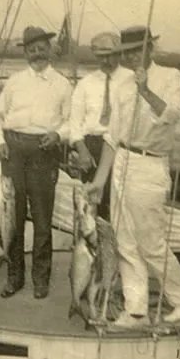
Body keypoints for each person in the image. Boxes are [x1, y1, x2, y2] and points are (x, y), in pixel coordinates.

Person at [86, 25, 180, 327]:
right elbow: (112, 139)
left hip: (150, 164)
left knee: (150, 240)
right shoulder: (121, 85)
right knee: (124, 240)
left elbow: (172, 115)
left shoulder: (170, 76)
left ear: (150, 49)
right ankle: (136, 309)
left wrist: (146, 90)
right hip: (123, 161)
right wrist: (99, 182)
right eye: (126, 52)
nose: (131, 56)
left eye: (137, 50)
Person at [0, 26, 72, 299]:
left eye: (41, 47)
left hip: (43, 153)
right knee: (11, 218)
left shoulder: (62, 84)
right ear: (25, 52)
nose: (37, 53)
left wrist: (58, 134)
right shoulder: (14, 82)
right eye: (31, 49)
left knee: (42, 220)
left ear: (50, 49)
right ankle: (14, 277)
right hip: (13, 152)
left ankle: (40, 279)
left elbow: (73, 122)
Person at [68, 31, 132, 220]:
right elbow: (75, 122)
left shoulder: (131, 79)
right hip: (92, 147)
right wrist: (82, 150)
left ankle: (117, 247)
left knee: (119, 204)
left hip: (120, 147)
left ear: (119, 54)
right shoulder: (85, 84)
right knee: (91, 204)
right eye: (101, 57)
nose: (106, 61)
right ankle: (93, 246)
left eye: (110, 55)